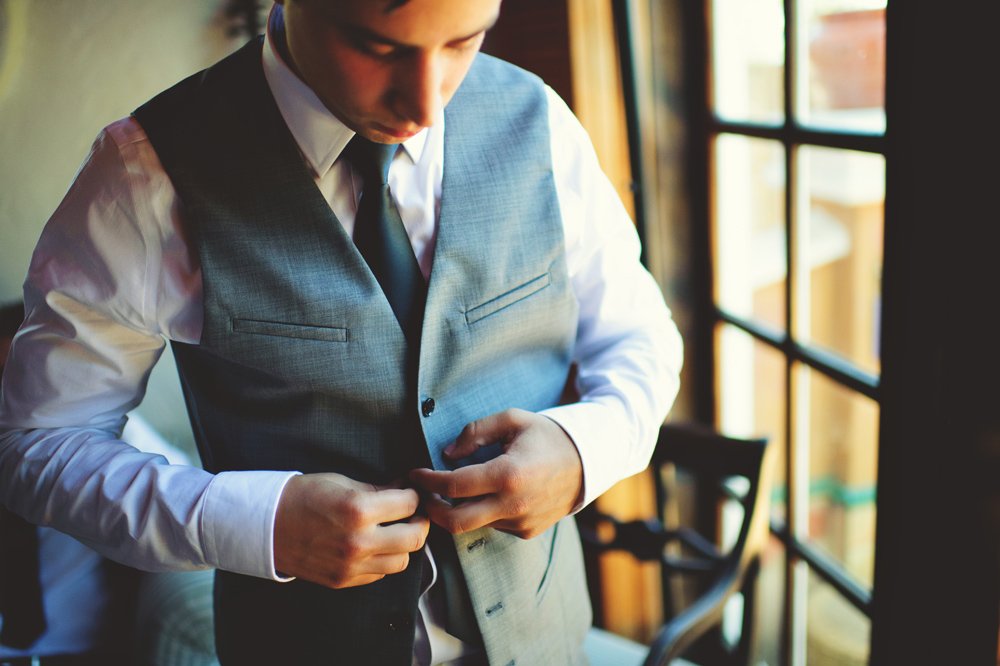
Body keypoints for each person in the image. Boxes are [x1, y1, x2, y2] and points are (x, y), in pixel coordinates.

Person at [0, 0, 683, 664]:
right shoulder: (144, 176)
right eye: (378, 46)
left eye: (463, 41)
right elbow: (38, 443)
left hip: (546, 640)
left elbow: (638, 334)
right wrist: (252, 522)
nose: (426, 105)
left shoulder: (542, 125)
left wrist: (583, 450)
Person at [0, 302, 219, 666]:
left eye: (25, 381)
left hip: (86, 652)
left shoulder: (101, 443)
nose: (11, 403)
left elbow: (190, 505)